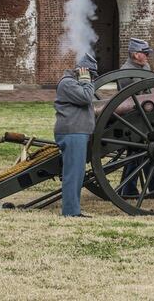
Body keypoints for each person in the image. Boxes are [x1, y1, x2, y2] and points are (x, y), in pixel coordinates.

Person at [54, 53, 98, 217]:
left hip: (78, 131)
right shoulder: (68, 84)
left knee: (77, 174)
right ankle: (71, 212)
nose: (92, 79)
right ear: (83, 71)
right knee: (73, 174)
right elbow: (86, 97)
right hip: (72, 132)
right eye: (91, 74)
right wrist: (86, 81)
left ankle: (73, 209)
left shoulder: (74, 83)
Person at [118, 37, 154, 197]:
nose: (147, 56)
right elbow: (136, 98)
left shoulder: (145, 67)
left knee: (148, 152)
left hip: (147, 117)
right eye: (144, 53)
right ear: (136, 55)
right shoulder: (126, 73)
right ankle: (129, 189)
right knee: (137, 153)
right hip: (135, 118)